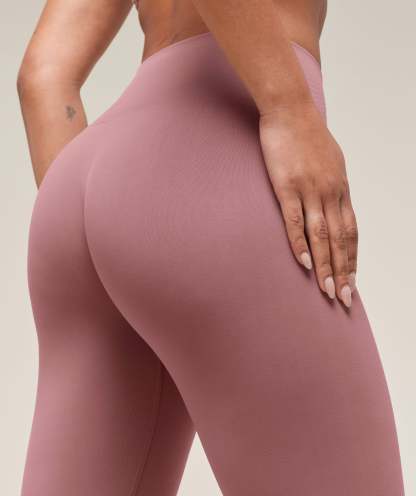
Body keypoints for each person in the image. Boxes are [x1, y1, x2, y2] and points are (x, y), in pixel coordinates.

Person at [17, 0, 405, 494]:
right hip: (213, 148)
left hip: (78, 194)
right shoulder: (256, 121)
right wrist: (289, 109)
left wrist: (121, 226)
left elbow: (44, 75)